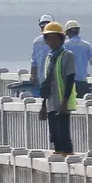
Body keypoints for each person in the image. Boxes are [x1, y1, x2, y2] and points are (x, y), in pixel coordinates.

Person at [38, 21, 77, 156]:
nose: (50, 41)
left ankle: (68, 160)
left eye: (54, 38)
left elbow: (70, 79)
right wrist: (43, 105)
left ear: (61, 39)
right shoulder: (49, 58)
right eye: (48, 38)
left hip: (62, 102)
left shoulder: (68, 56)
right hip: (51, 103)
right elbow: (46, 83)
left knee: (63, 135)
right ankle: (59, 158)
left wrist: (65, 101)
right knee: (54, 136)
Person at [63, 20, 92, 97]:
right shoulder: (86, 45)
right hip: (82, 80)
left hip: (68, 81)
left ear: (68, 32)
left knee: (69, 104)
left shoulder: (65, 45)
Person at [30, 14, 55, 87]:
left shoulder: (37, 41)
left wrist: (33, 75)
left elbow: (34, 62)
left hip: (43, 79)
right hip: (52, 79)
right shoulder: (58, 40)